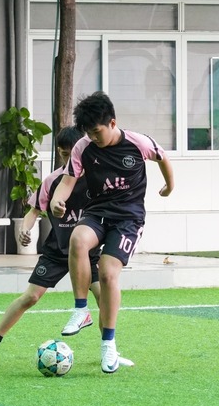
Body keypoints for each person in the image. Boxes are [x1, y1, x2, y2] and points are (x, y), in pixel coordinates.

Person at [51, 91, 174, 373]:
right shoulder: (83, 147)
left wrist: (169, 186)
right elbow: (68, 180)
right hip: (97, 212)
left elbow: (162, 157)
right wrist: (58, 199)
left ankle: (108, 344)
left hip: (128, 218)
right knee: (78, 239)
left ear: (113, 123)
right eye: (89, 133)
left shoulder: (137, 142)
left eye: (97, 132)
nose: (93, 138)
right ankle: (81, 310)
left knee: (107, 274)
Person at [0, 126, 103, 369]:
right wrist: (25, 229)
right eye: (63, 154)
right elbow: (34, 211)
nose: (67, 159)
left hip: (88, 253)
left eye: (71, 153)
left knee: (104, 298)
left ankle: (109, 351)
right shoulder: (52, 181)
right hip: (57, 251)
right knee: (30, 297)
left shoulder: (97, 179)